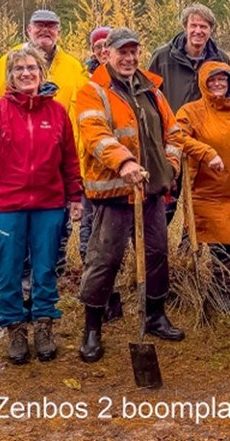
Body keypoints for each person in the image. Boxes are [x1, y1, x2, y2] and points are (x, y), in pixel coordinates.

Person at [0, 47, 83, 364]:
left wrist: (75, 198)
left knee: (45, 269)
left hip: (49, 204)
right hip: (5, 205)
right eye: (19, 70)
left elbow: (70, 160)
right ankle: (15, 329)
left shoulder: (57, 113)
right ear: (10, 76)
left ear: (42, 74)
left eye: (32, 68)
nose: (26, 74)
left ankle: (43, 325)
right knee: (9, 270)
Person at [76, 28, 185, 364]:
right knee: (104, 259)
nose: (129, 58)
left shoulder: (151, 90)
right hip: (114, 193)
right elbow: (95, 134)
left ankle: (155, 316)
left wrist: (170, 164)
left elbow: (175, 131)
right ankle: (92, 327)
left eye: (134, 52)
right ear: (105, 53)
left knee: (156, 254)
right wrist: (123, 162)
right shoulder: (92, 91)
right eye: (122, 52)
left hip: (150, 193)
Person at [177, 61, 230, 318]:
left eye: (222, 80)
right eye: (212, 79)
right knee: (218, 245)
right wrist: (206, 153)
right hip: (208, 192)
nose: (217, 84)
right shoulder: (191, 111)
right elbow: (177, 136)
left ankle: (219, 291)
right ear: (203, 82)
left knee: (227, 244)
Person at [0, 9, 88, 158]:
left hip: (58, 154)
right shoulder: (11, 60)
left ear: (59, 31)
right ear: (29, 30)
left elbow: (84, 110)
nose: (45, 30)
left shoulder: (74, 67)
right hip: (16, 151)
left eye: (51, 26)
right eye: (39, 25)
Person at [149, 4, 230, 228]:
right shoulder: (162, 57)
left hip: (207, 143)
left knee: (201, 200)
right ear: (185, 27)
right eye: (193, 25)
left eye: (203, 26)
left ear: (210, 30)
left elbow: (227, 98)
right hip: (171, 140)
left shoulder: (220, 58)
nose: (198, 31)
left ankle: (188, 249)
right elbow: (149, 97)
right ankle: (155, 250)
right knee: (166, 199)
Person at [79, 26, 111, 262]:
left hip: (117, 164)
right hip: (88, 161)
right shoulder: (84, 80)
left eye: (107, 45)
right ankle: (86, 263)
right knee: (89, 217)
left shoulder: (125, 78)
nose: (102, 50)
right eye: (98, 46)